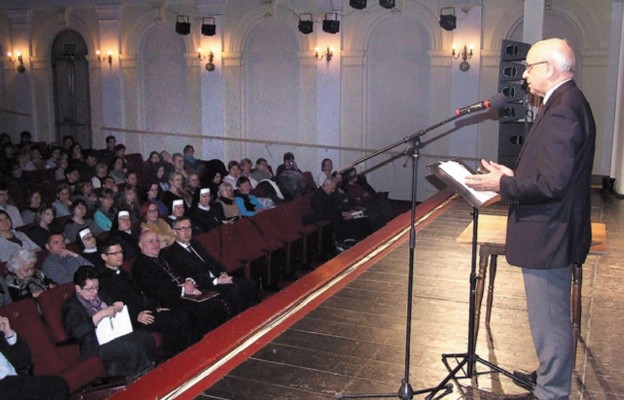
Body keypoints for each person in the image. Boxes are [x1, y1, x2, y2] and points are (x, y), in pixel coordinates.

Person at [465, 38, 595, 400]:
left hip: (549, 233)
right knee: (549, 321)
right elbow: (552, 172)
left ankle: (551, 392)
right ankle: (548, 382)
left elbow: (552, 184)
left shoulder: (563, 109)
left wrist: (502, 184)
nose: (523, 74)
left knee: (550, 322)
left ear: (550, 68)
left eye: (529, 67)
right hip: (552, 229)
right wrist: (512, 174)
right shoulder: (565, 103)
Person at [97, 239, 195, 359]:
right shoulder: (103, 280)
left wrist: (156, 307)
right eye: (114, 253)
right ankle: (175, 357)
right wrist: (136, 316)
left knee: (181, 315)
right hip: (133, 320)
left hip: (145, 312)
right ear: (104, 256)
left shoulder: (123, 273)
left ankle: (188, 353)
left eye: (121, 252)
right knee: (174, 321)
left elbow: (141, 294)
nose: (120, 256)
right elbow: (112, 304)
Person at [132, 230, 231, 340]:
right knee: (202, 308)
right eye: (150, 241)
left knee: (213, 302)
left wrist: (189, 281)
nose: (155, 244)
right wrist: (184, 290)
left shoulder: (164, 257)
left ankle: (222, 338)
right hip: (168, 301)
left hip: (183, 294)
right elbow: (158, 291)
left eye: (157, 240)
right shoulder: (140, 266)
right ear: (140, 245)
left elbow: (183, 272)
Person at [62, 266, 156, 381]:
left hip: (114, 333)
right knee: (131, 347)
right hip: (94, 343)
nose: (95, 292)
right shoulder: (71, 306)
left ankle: (151, 372)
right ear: (78, 288)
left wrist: (117, 306)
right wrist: (101, 314)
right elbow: (77, 332)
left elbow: (112, 309)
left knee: (146, 338)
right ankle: (139, 378)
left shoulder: (101, 295)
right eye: (90, 289)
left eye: (97, 287)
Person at [164, 216, 258, 315]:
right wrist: (216, 281)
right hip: (205, 285)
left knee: (249, 284)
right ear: (174, 232)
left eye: (189, 228)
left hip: (217, 278)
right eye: (183, 229)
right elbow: (189, 276)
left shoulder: (195, 244)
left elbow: (212, 261)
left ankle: (255, 317)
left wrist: (222, 273)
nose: (187, 232)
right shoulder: (172, 253)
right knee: (235, 290)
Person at [0, 315, 70, 400]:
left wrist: (8, 333)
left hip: (18, 382)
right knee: (57, 386)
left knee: (58, 385)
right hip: (5, 386)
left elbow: (24, 361)